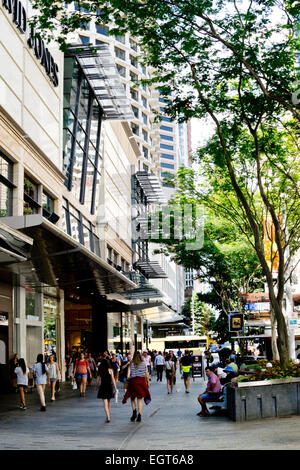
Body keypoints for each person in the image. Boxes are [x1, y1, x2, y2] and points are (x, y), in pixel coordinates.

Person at [122, 351, 151, 422]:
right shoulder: (144, 364)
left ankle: (134, 411)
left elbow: (128, 376)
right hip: (141, 382)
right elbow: (146, 374)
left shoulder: (131, 363)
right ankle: (139, 415)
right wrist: (148, 382)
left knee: (132, 398)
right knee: (140, 398)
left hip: (133, 382)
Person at [94, 354, 118, 423]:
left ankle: (108, 417)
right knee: (108, 402)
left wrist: (95, 387)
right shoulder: (110, 370)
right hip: (109, 386)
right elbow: (113, 379)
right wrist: (116, 388)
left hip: (103, 386)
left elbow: (98, 380)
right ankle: (108, 415)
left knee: (105, 403)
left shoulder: (100, 370)